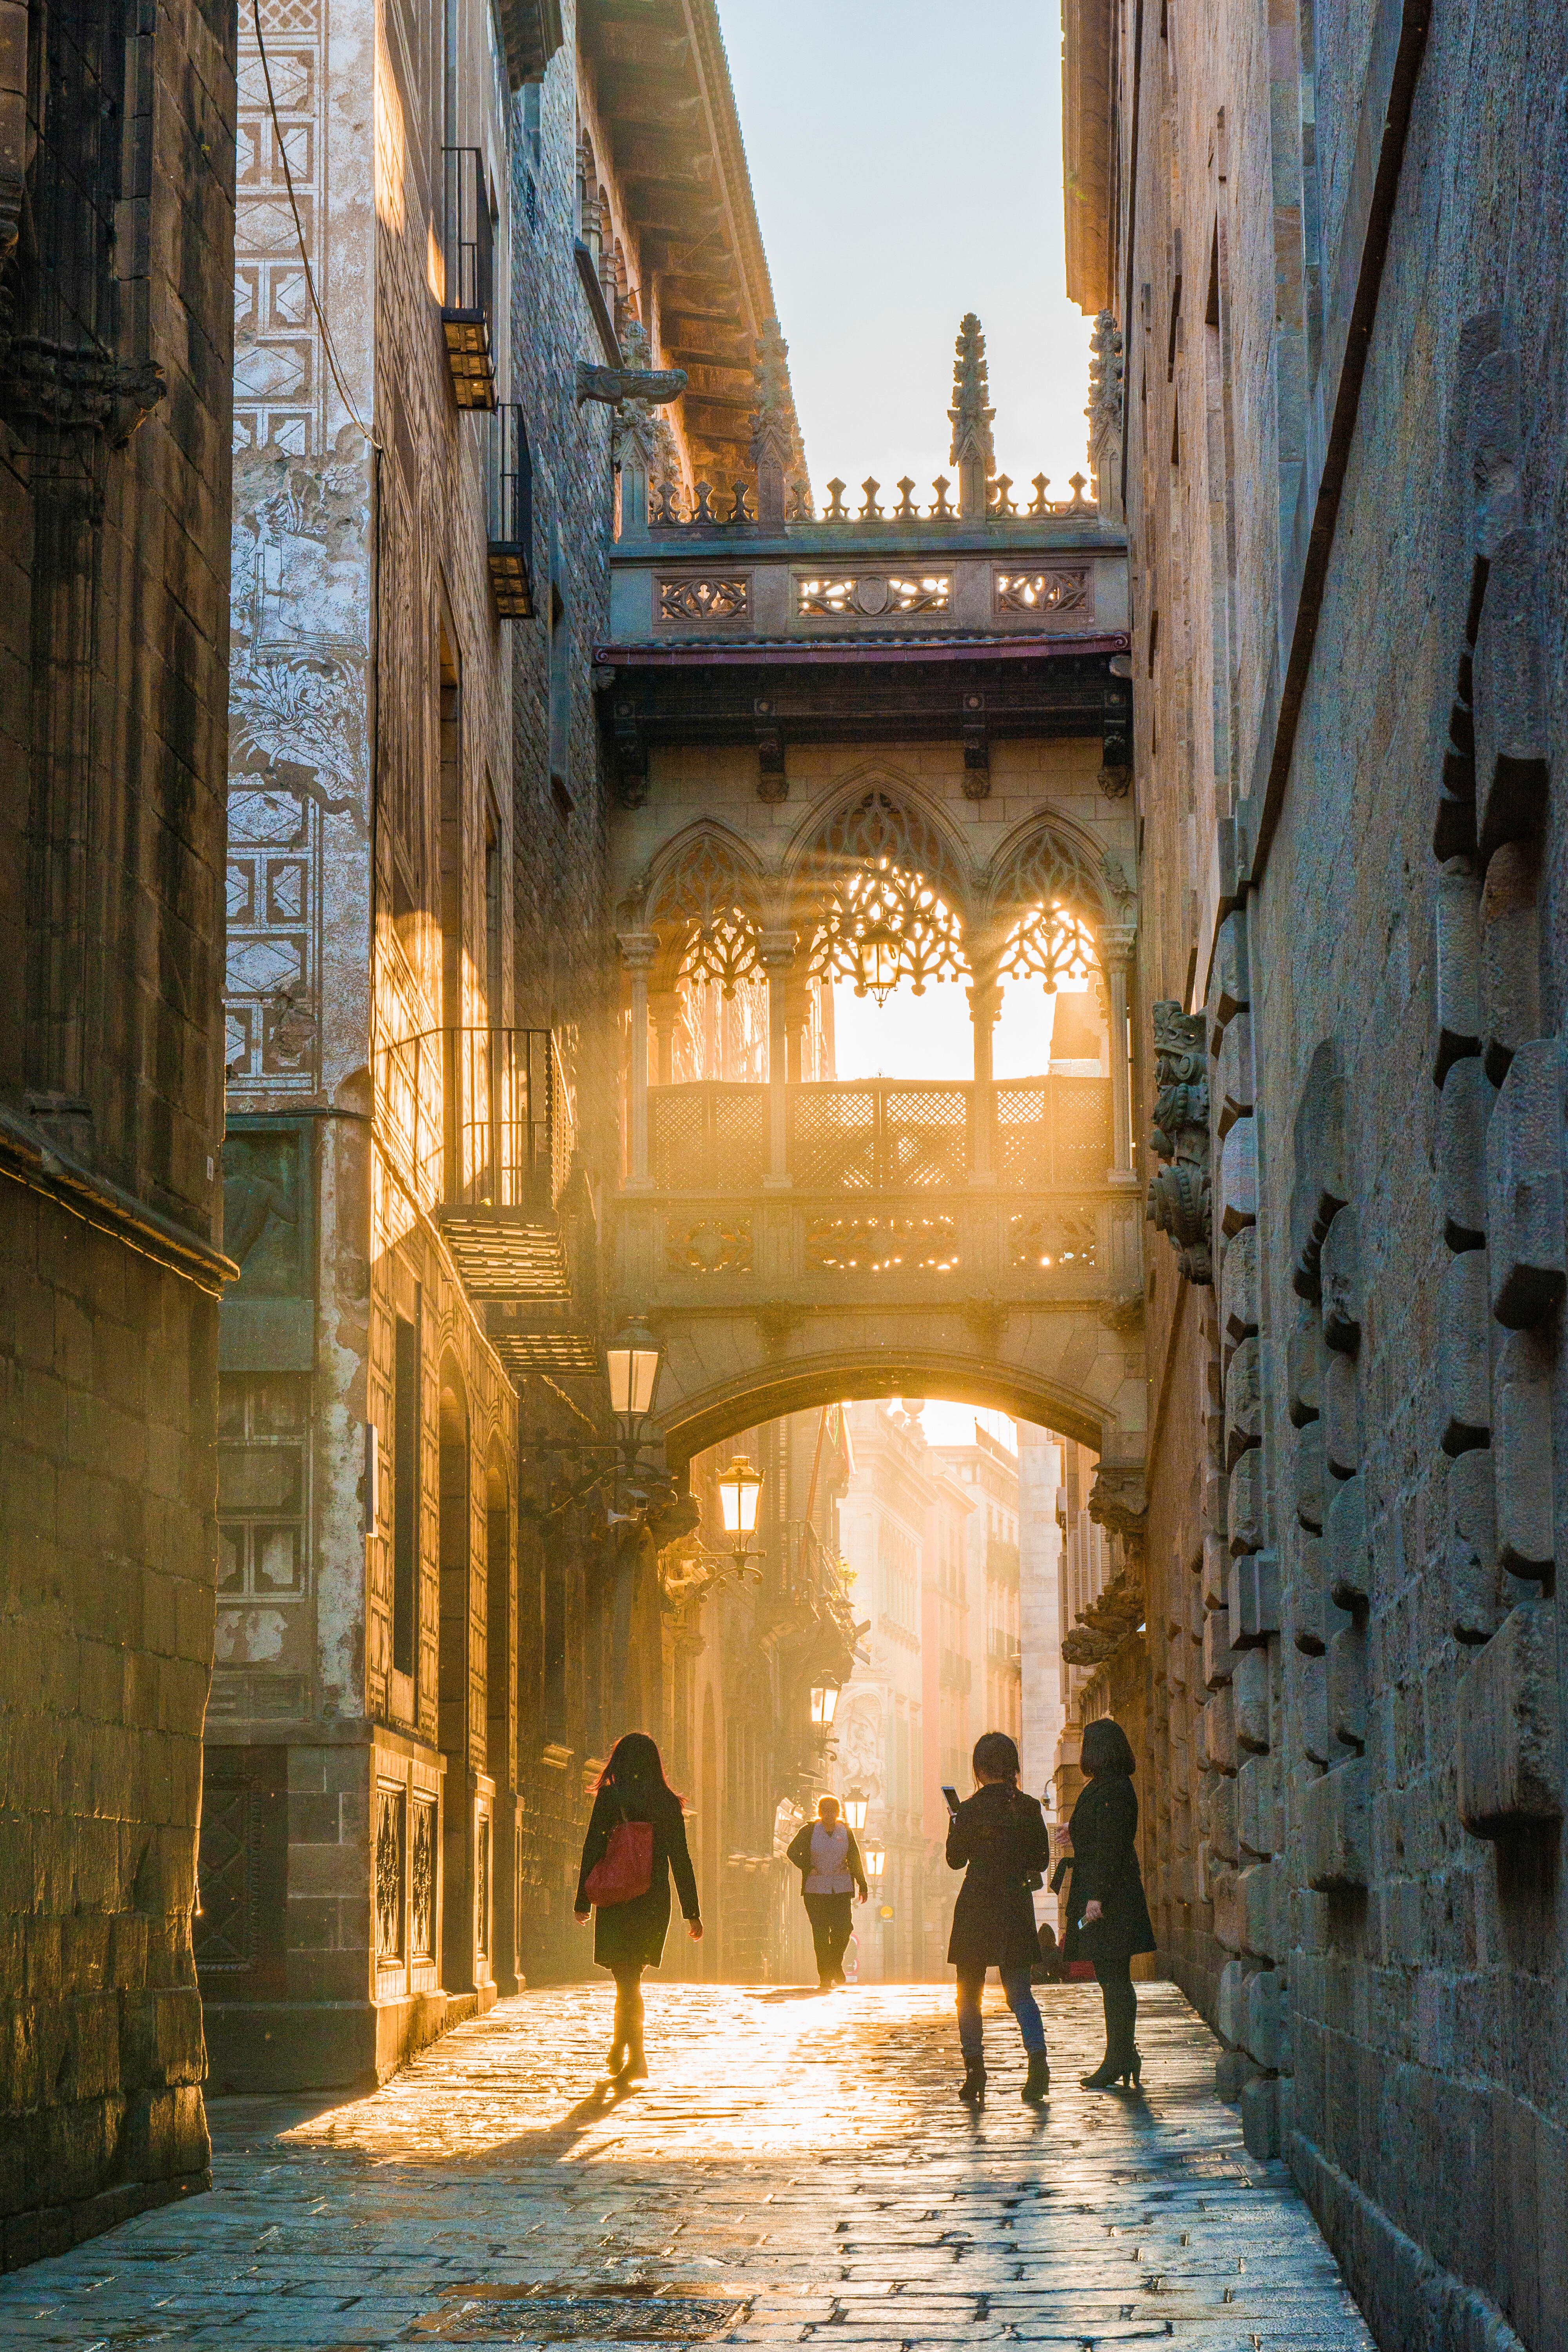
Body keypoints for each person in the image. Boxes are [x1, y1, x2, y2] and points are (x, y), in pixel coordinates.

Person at [574, 1732, 701, 2081]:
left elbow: (592, 1847)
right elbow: (681, 1858)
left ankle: (631, 2052)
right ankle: (628, 2051)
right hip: (652, 1898)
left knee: (625, 1979)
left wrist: (583, 1898)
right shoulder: (666, 1802)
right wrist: (693, 1912)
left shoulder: (611, 1796)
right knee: (631, 1979)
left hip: (617, 1896)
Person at [945, 1730, 1053, 2105]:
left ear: (978, 1768)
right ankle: (1038, 2065)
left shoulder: (969, 1810)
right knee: (1020, 1992)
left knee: (968, 1995)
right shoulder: (1027, 1807)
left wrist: (955, 1821)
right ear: (1013, 1767)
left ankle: (975, 2073)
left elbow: (956, 1860)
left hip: (976, 1904)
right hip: (1013, 1903)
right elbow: (1041, 1860)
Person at [1057, 1714, 1156, 2089]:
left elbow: (1112, 1845)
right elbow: (1099, 1832)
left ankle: (1119, 2057)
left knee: (1115, 1981)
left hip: (1110, 1898)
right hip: (1111, 1893)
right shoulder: (1109, 1786)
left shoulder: (1113, 1789)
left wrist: (1095, 1897)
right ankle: (1122, 2055)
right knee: (1113, 1979)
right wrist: (1075, 1830)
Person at [785, 1794, 869, 1989]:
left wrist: (862, 1884)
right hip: (815, 1889)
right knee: (821, 1933)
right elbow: (791, 1852)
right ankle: (825, 1976)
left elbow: (855, 1858)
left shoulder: (846, 1832)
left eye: (833, 1812)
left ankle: (833, 1964)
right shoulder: (808, 1831)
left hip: (841, 1888)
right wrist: (807, 1867)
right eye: (826, 1812)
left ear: (838, 1813)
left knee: (844, 1928)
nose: (830, 1815)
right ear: (820, 1813)